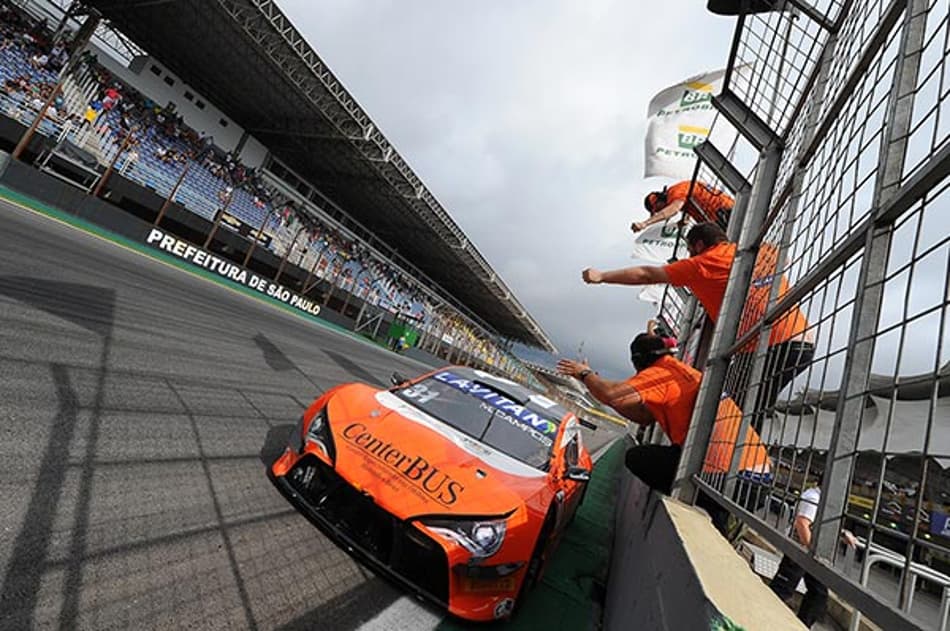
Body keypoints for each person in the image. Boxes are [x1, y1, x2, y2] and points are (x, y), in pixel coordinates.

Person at [582, 222, 814, 424]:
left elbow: (646, 274)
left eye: (690, 251)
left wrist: (602, 276)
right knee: (747, 410)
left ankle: (738, 471)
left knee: (734, 415)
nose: (690, 256)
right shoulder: (764, 251)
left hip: (768, 346)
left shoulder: (704, 263)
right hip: (802, 341)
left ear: (700, 245)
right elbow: (785, 260)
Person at [557, 333, 770, 499]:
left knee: (637, 458)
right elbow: (644, 417)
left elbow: (613, 394)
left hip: (729, 475)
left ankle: (683, 500)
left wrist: (585, 375)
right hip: (756, 475)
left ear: (638, 361)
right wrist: (602, 391)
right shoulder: (684, 373)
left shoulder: (661, 374)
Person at [770, 474, 858, 628]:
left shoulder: (821, 499)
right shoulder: (813, 498)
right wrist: (812, 549)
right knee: (783, 589)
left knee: (818, 594)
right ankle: (766, 615)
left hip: (810, 553)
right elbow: (802, 524)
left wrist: (843, 533)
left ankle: (801, 626)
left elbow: (821, 523)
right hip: (802, 551)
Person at [633, 180, 735, 232]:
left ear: (659, 200)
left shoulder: (675, 191)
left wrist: (645, 224)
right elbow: (690, 201)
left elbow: (673, 209)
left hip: (723, 212)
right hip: (720, 215)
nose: (660, 211)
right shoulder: (679, 195)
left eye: (658, 209)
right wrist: (684, 220)